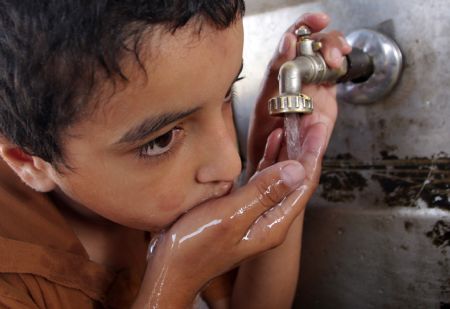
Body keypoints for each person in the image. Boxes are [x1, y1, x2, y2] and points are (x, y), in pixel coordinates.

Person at [0, 1, 350, 308]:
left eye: (228, 93)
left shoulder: (160, 203)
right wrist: (174, 283)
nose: (230, 163)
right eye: (162, 140)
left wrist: (275, 162)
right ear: (29, 161)